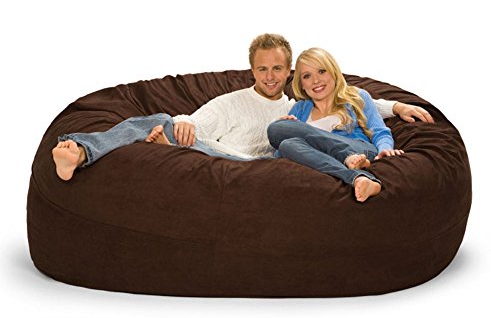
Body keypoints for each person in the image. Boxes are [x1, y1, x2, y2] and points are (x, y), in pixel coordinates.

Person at [52, 33, 433, 180]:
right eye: (262, 69)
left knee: (279, 136)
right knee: (162, 119)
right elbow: (197, 121)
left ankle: (171, 151)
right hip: (224, 156)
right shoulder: (238, 102)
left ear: (288, 73)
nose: (270, 76)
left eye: (277, 69)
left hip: (261, 166)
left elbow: (347, 99)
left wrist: (396, 107)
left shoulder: (296, 107)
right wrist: (181, 120)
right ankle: (82, 150)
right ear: (251, 70)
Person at [267, 47, 404, 202]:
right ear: (301, 84)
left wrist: (385, 148)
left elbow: (379, 130)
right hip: (329, 160)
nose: (315, 80)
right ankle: (358, 177)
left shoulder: (356, 97)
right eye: (307, 76)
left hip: (360, 151)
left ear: (333, 72)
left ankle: (348, 156)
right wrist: (292, 127)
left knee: (278, 128)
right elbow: (283, 154)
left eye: (322, 71)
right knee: (284, 141)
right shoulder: (300, 109)